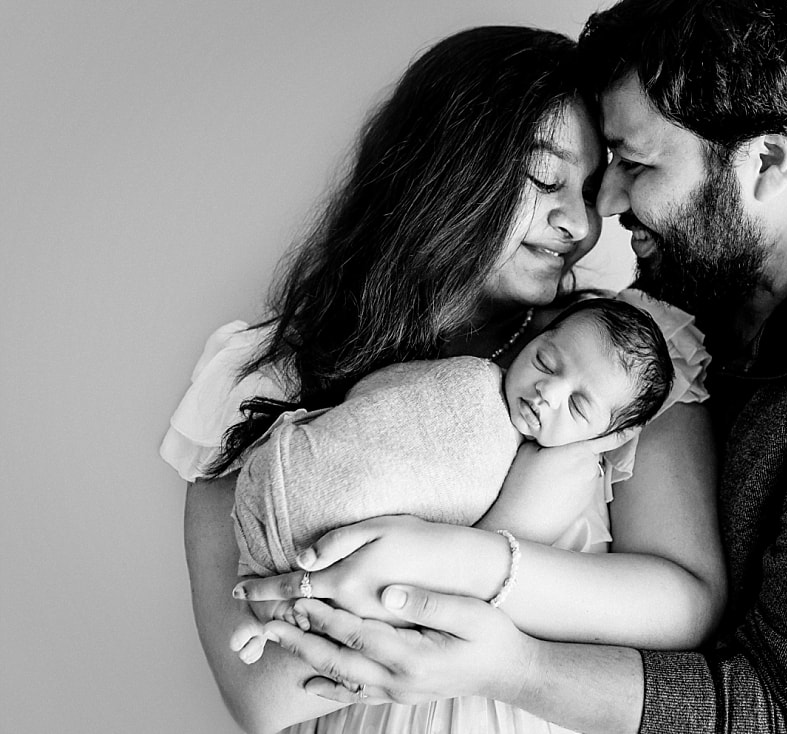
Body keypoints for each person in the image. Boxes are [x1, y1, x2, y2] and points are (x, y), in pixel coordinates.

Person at [244, 2, 787, 733]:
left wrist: (511, 663)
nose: (608, 209)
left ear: (767, 161)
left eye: (636, 165)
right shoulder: (675, 299)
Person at [167, 24, 723, 734]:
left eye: (587, 190)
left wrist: (462, 565)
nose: (580, 223)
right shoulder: (259, 373)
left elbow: (683, 605)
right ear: (446, 169)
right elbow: (263, 694)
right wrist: (490, 581)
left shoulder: (620, 357)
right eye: (546, 179)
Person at [229, 298, 673, 654]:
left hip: (343, 561)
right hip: (290, 475)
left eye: (578, 406)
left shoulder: (560, 476)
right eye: (545, 362)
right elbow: (380, 395)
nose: (548, 392)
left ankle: (271, 625)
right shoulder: (471, 376)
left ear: (612, 435)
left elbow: (474, 557)